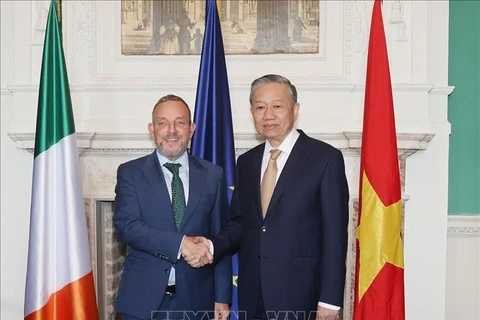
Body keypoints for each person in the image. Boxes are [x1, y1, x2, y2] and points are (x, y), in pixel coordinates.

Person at [193, 74, 349, 320]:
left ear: (295, 109)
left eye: (277, 106)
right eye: (260, 107)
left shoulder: (325, 158)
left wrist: (329, 301)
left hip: (302, 297)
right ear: (251, 112)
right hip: (253, 295)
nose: (268, 115)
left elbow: (335, 235)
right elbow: (240, 223)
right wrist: (212, 245)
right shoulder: (246, 162)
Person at [113, 94, 232, 320]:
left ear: (191, 128)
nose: (171, 130)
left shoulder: (212, 175)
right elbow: (126, 226)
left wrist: (222, 296)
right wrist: (180, 244)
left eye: (179, 122)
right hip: (142, 303)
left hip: (198, 303)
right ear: (152, 129)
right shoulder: (130, 173)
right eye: (162, 123)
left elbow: (221, 237)